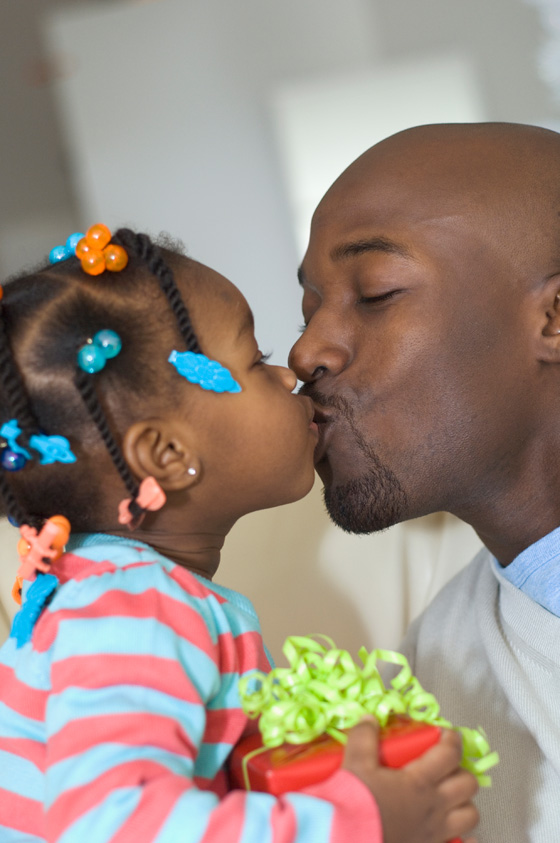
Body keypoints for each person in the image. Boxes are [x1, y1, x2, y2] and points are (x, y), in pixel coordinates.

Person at [0, 225, 478, 843]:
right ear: (169, 455)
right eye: (255, 360)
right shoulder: (135, 609)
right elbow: (114, 826)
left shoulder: (114, 594)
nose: (289, 376)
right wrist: (356, 822)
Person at [288, 121, 560, 842]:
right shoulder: (429, 676)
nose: (306, 347)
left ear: (555, 318)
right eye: (309, 306)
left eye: (374, 292)